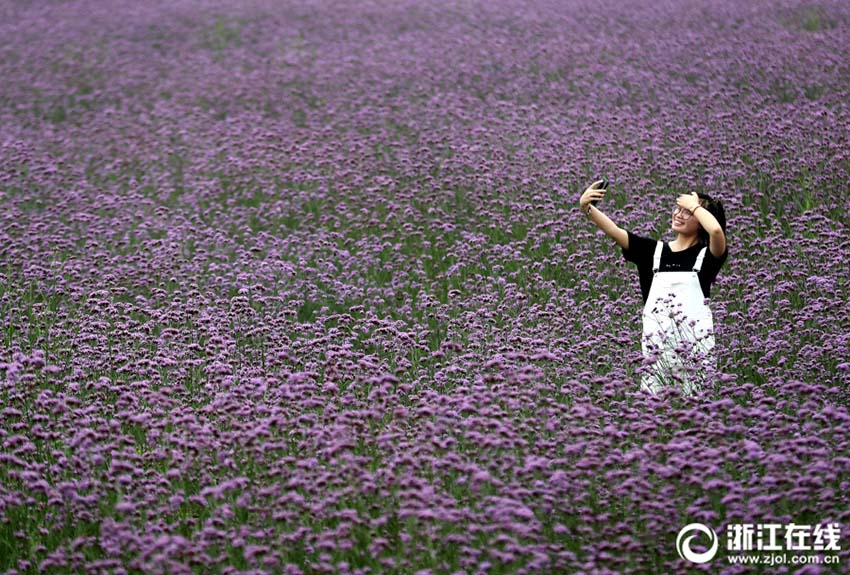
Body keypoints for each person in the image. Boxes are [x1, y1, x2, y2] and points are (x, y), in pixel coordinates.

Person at [578, 180, 728, 395]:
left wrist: (695, 205)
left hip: (697, 350)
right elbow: (613, 230)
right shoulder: (652, 252)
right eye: (679, 209)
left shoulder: (708, 256)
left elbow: (715, 231)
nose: (679, 214)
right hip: (656, 351)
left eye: (689, 212)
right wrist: (587, 208)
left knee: (697, 404)